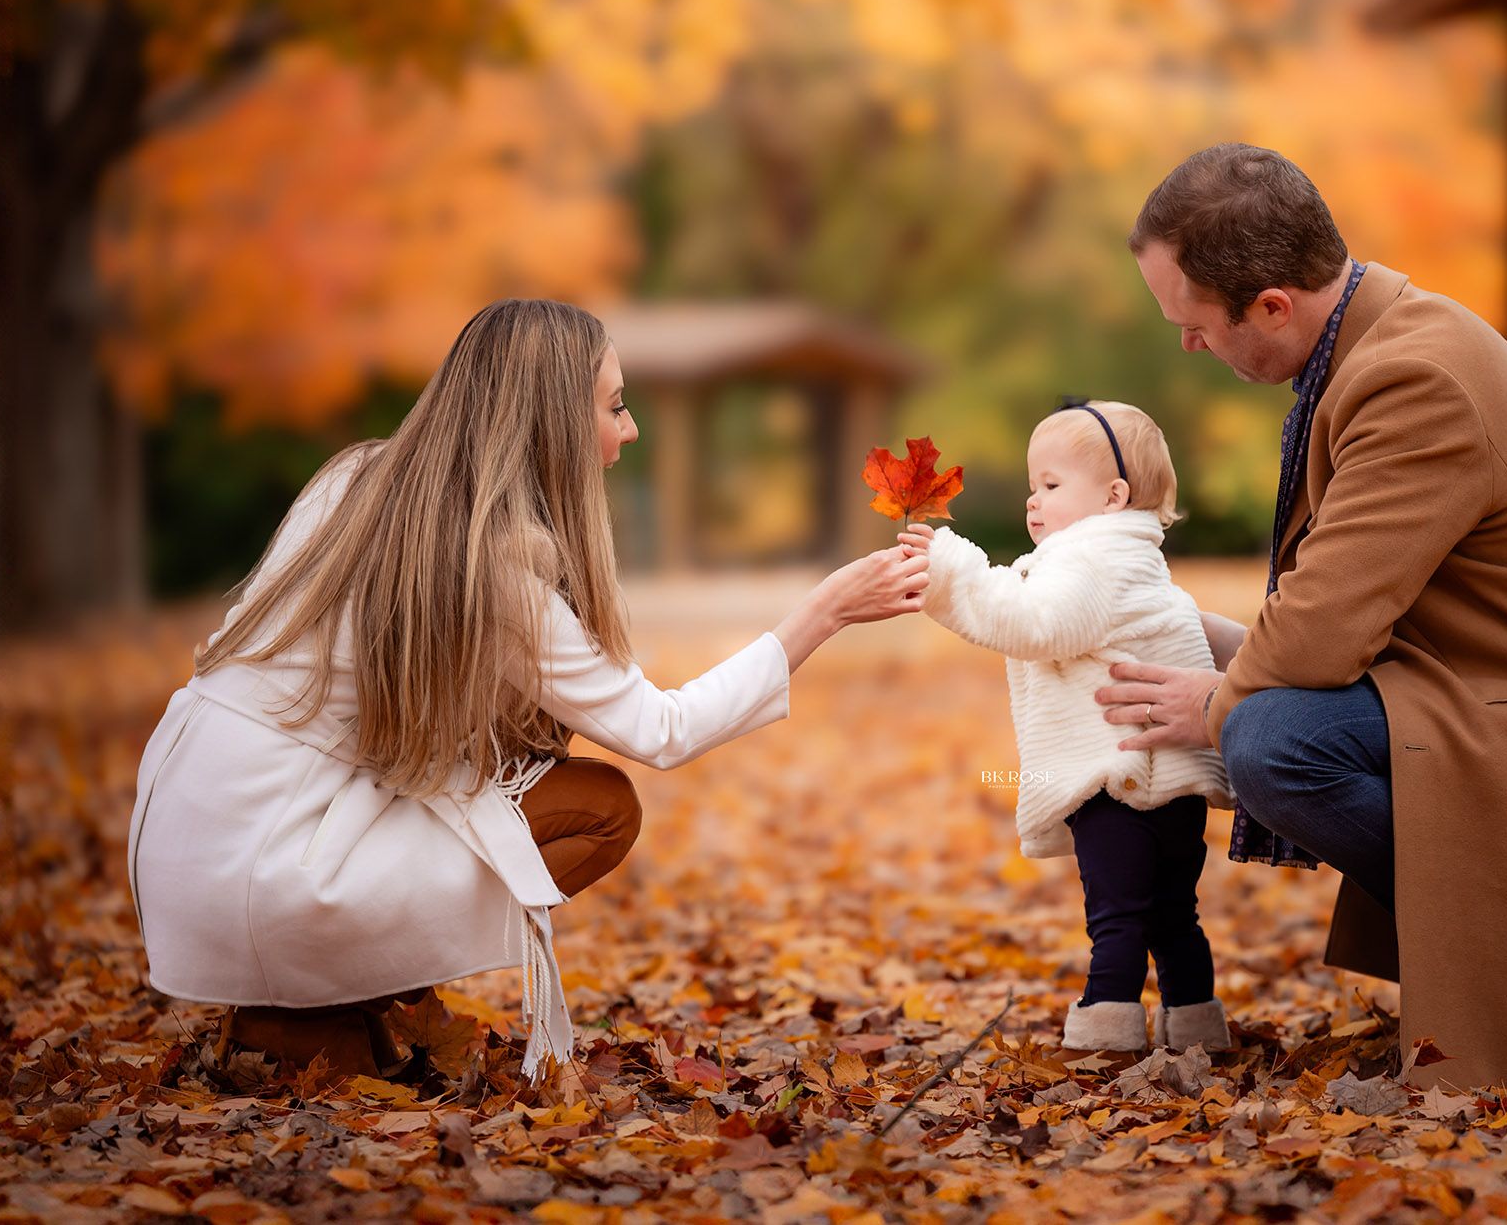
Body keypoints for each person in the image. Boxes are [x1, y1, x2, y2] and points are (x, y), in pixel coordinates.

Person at [1094, 143, 1507, 1091]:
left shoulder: (1412, 379)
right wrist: (1199, 637)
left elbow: (1324, 632)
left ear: (1273, 308)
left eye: (1195, 325)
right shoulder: (1379, 348)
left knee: (1269, 741)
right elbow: (1344, 619)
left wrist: (1214, 704)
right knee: (1266, 714)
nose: (1188, 346)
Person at [126, 298, 929, 1092]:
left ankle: (330, 1002)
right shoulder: (490, 566)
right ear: (554, 423)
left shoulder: (353, 481)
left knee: (527, 773)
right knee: (601, 808)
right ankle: (305, 1010)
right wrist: (824, 613)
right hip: (273, 863)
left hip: (190, 836)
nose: (629, 430)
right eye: (615, 406)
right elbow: (664, 730)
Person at [898, 399, 1236, 1055]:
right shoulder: (1133, 559)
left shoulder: (1091, 561)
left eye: (1051, 485)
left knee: (1117, 915)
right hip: (1172, 781)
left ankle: (1105, 1029)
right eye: (1033, 486)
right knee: (1173, 914)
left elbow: (1033, 623)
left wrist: (948, 568)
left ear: (1113, 497)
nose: (1033, 500)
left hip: (1119, 779)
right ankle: (1196, 1024)